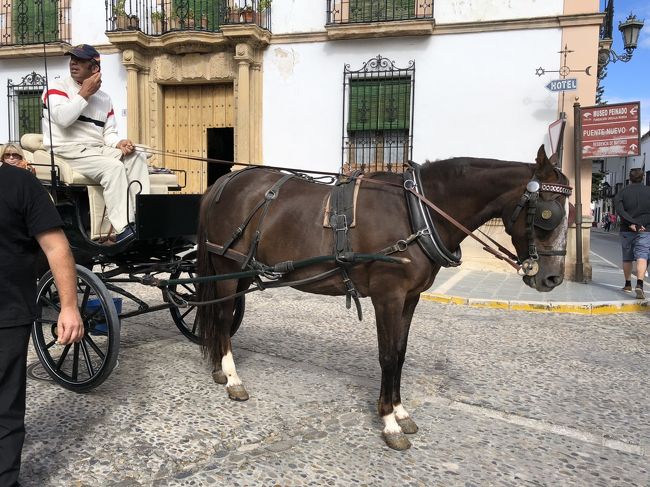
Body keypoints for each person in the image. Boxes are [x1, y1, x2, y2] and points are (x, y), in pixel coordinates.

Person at [0, 161, 84, 486]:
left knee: (5, 407)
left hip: (6, 313)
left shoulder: (20, 184)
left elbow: (56, 246)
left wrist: (69, 307)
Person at [42, 44, 150, 243]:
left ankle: (142, 219)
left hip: (96, 149)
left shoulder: (104, 99)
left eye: (80, 60)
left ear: (95, 69)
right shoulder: (56, 89)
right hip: (67, 149)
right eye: (72, 59)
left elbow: (108, 133)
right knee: (114, 168)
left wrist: (119, 142)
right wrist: (84, 94)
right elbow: (62, 119)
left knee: (137, 155)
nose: (73, 63)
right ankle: (124, 227)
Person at [614, 167, 650, 299]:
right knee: (642, 256)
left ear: (629, 178)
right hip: (645, 230)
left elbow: (620, 211)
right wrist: (643, 225)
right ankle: (639, 284)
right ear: (643, 178)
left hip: (627, 229)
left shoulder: (622, 193)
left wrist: (631, 223)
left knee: (627, 257)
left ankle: (628, 284)